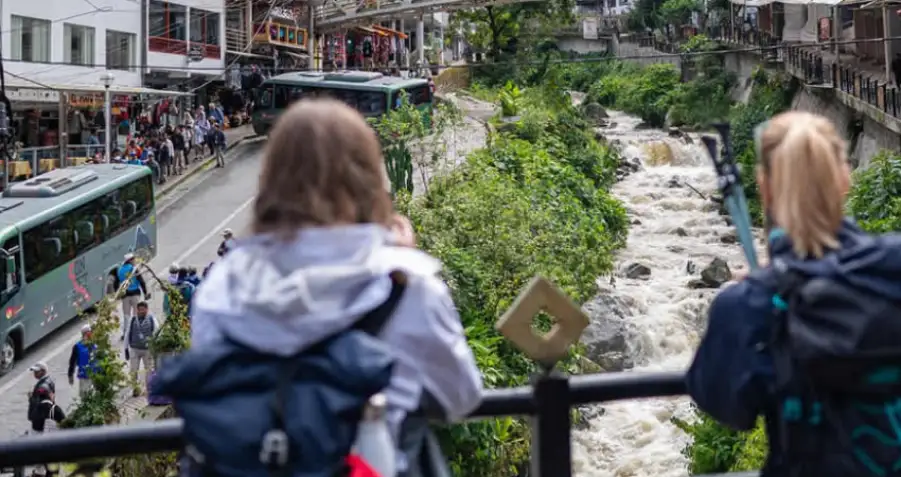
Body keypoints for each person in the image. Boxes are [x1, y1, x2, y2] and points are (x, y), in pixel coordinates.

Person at [153, 99, 483, 477]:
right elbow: (462, 397)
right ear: (369, 179)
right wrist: (398, 258)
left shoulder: (224, 285)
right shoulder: (406, 285)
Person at [686, 111, 901, 476]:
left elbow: (723, 405)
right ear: (844, 179)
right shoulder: (892, 266)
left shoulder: (747, 305)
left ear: (764, 187)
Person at [27, 362, 65, 477]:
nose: (34, 373)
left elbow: (35, 415)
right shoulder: (55, 408)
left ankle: (39, 472)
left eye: (36, 371)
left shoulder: (42, 388)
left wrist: (32, 400)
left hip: (40, 429)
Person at [125, 302, 158, 396]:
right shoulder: (132, 319)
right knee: (133, 370)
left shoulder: (152, 319)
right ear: (137, 310)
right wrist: (125, 348)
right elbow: (127, 333)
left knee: (148, 370)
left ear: (147, 309)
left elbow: (156, 332)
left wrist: (155, 347)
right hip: (134, 349)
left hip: (147, 349)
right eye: (140, 309)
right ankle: (135, 389)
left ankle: (149, 390)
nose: (141, 311)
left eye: (143, 309)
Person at [115, 253, 150, 341]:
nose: (134, 261)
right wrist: (145, 293)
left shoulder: (120, 270)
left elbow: (117, 283)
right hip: (135, 294)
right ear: (130, 260)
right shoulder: (133, 269)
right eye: (133, 259)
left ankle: (125, 333)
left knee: (126, 315)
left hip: (125, 296)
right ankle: (137, 332)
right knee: (136, 314)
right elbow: (141, 281)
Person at [67, 325, 99, 397]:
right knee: (85, 397)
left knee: (98, 395)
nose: (92, 334)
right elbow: (72, 362)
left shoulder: (95, 343)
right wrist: (70, 375)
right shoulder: (77, 346)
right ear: (85, 333)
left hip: (97, 374)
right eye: (90, 332)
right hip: (84, 375)